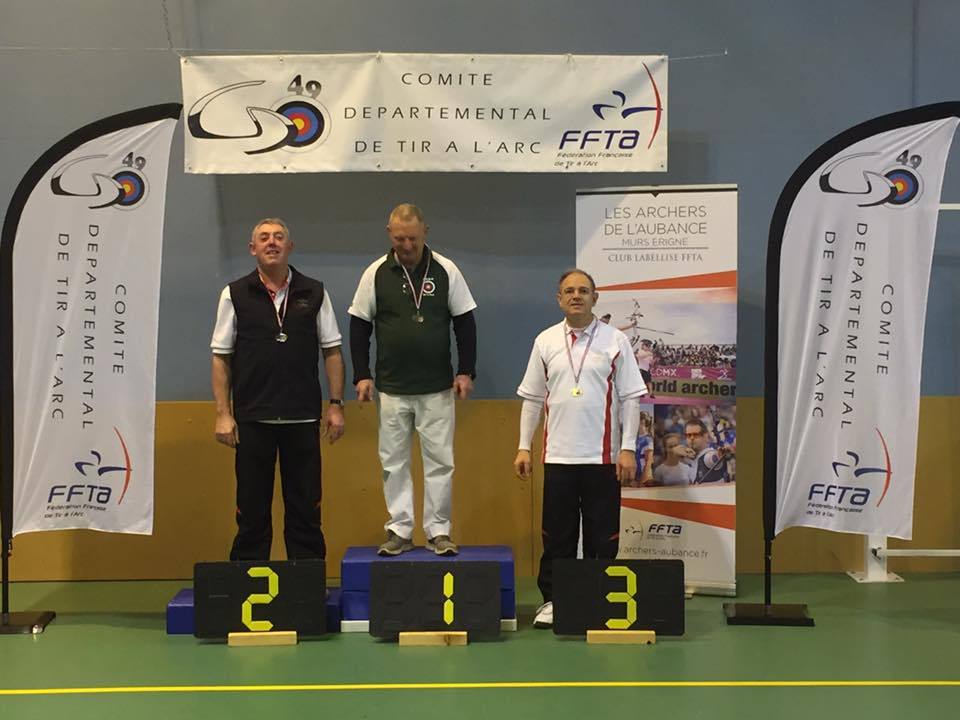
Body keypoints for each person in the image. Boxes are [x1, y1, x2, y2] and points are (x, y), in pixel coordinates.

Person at [514, 269, 647, 628]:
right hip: (558, 458)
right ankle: (554, 601)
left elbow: (631, 398)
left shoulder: (616, 341)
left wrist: (628, 448)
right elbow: (532, 399)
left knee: (603, 536)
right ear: (559, 299)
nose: (576, 296)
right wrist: (524, 447)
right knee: (557, 536)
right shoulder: (545, 341)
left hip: (603, 458)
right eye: (569, 291)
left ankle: (598, 599)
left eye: (583, 291)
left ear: (594, 298)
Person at [211, 218, 345, 561]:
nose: (272, 242)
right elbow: (221, 357)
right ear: (252, 248)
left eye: (279, 237)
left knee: (306, 512)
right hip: (252, 419)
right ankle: (247, 582)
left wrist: (335, 404)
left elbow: (331, 351)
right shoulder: (234, 294)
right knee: (251, 513)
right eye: (264, 238)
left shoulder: (314, 292)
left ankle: (307, 584)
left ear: (290, 247)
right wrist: (223, 414)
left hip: (302, 418)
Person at [349, 203, 477, 557]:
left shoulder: (446, 270)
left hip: (437, 387)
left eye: (413, 239)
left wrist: (466, 371)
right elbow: (359, 326)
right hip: (392, 388)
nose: (407, 245)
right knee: (393, 462)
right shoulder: (375, 273)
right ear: (389, 234)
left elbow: (465, 322)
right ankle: (400, 530)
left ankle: (438, 531)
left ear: (425, 233)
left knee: (440, 461)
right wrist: (362, 374)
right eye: (400, 238)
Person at [682, 418, 732, 484]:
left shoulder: (709, 455)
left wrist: (719, 455)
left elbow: (714, 458)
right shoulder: (687, 457)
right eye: (688, 435)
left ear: (705, 436)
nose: (692, 438)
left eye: (696, 435)